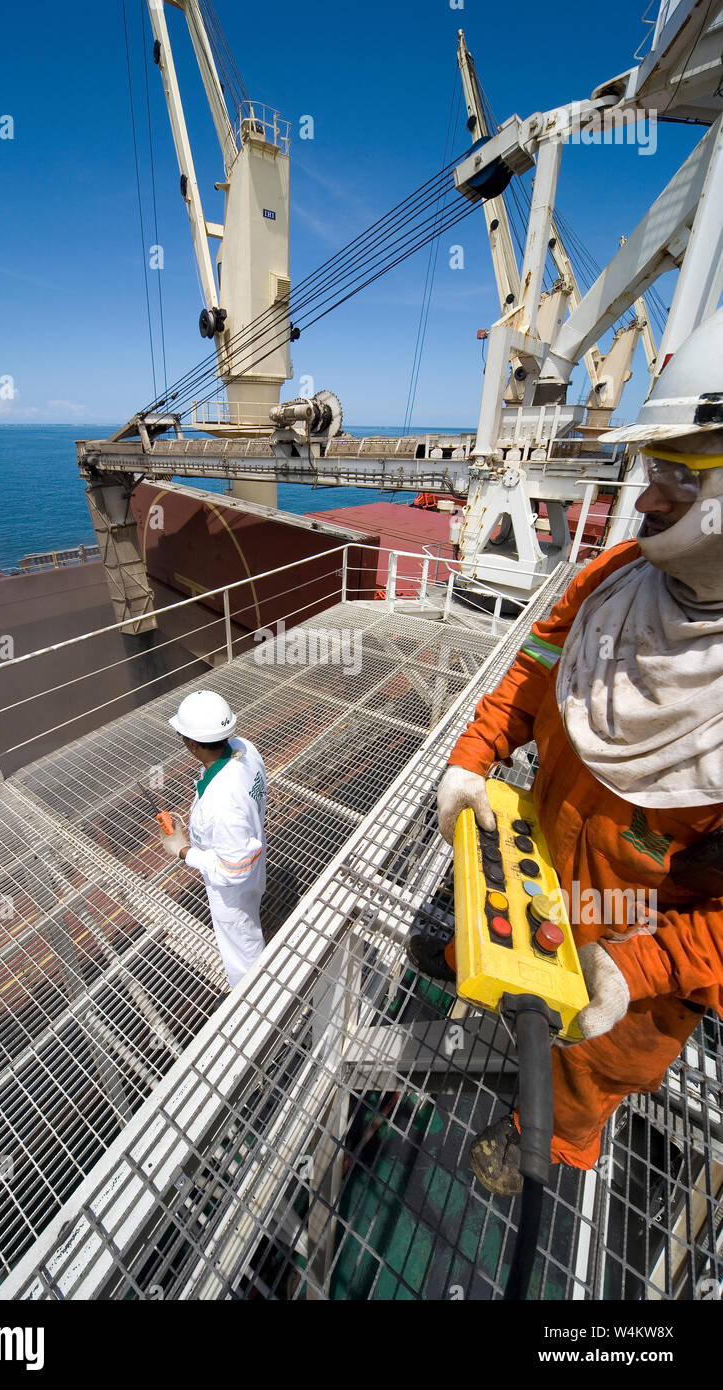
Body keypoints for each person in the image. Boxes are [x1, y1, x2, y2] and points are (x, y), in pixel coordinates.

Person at [435, 307, 723, 1194]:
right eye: (651, 468)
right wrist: (474, 752)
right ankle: (470, 964)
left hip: (637, 943)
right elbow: (535, 668)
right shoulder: (615, 581)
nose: (644, 498)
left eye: (677, 473)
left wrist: (635, 967)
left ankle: (552, 1141)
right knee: (501, 928)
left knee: (586, 1065)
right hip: (549, 858)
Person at [161, 690, 267, 989]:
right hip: (254, 854)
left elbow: (235, 869)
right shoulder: (245, 748)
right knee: (251, 911)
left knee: (242, 951)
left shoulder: (221, 801)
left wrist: (182, 850)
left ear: (192, 744)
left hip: (232, 889)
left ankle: (253, 1009)